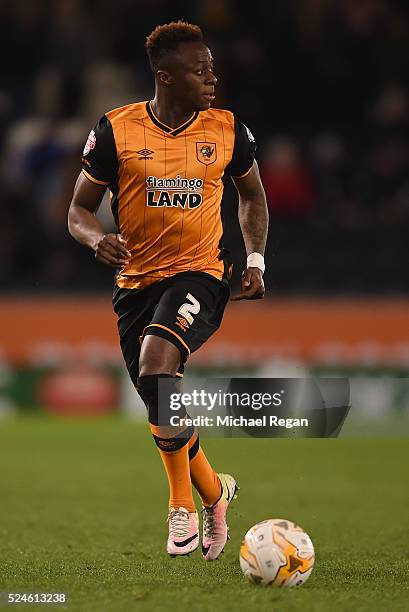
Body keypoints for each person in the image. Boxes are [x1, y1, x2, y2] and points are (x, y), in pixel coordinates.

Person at [68, 20, 268, 560]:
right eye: (198, 69)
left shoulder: (227, 129)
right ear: (165, 76)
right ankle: (215, 491)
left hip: (202, 273)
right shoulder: (117, 129)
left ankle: (179, 502)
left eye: (211, 66)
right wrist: (95, 239)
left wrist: (253, 259)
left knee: (159, 364)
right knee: (163, 404)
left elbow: (252, 197)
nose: (211, 76)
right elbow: (78, 211)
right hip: (135, 284)